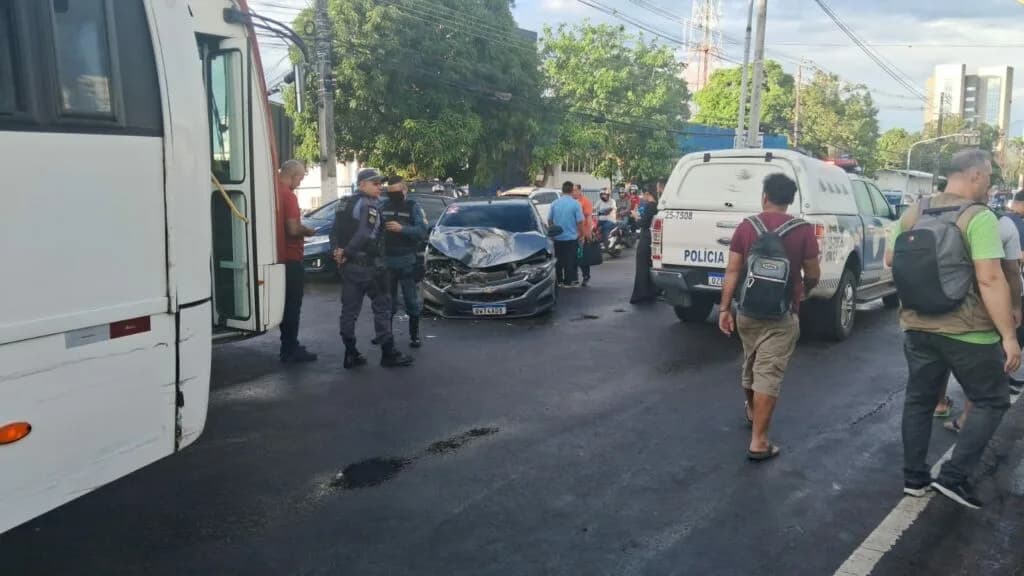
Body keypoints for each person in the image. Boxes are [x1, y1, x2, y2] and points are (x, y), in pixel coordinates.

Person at [888, 149, 1020, 509]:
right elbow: (990, 279)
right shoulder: (978, 217)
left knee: (918, 400)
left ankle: (914, 479)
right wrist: (1009, 336)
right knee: (993, 399)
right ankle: (954, 476)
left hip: (917, 325)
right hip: (967, 332)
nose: (991, 183)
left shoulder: (916, 211)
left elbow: (890, 259)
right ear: (974, 175)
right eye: (989, 175)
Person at [718, 174, 819, 461]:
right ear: (791, 200)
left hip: (747, 310)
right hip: (782, 314)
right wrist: (804, 291)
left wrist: (725, 309)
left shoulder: (747, 227)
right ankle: (759, 442)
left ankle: (752, 410)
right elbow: (813, 273)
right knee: (769, 373)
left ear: (764, 196)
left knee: (751, 362)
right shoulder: (803, 230)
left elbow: (733, 271)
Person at [943, 207, 1024, 433]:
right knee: (988, 373)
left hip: (956, 304)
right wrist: (1015, 307)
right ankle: (969, 419)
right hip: (992, 305)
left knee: (946, 361)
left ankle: (948, 408)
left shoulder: (941, 217)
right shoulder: (1003, 224)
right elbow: (1012, 271)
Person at [331, 168, 414, 369]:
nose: (380, 187)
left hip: (348, 268)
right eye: (375, 184)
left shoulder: (344, 203)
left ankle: (350, 354)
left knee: (349, 311)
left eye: (380, 183)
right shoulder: (369, 206)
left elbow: (334, 232)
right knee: (383, 307)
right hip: (368, 268)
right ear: (362, 185)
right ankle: (388, 353)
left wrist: (337, 252)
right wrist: (347, 253)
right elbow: (363, 235)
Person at [277, 160, 318, 364]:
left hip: (277, 259)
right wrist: (308, 230)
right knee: (293, 306)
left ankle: (289, 345)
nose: (300, 183)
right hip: (291, 259)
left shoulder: (272, 191)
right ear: (292, 174)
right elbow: (293, 229)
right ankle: (290, 349)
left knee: (285, 306)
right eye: (300, 178)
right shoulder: (288, 196)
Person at [380, 177, 428, 349]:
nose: (392, 195)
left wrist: (402, 229)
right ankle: (386, 336)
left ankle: (414, 336)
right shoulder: (383, 207)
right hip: (387, 262)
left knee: (411, 301)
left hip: (407, 262)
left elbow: (422, 231)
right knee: (387, 302)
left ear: (405, 190)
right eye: (390, 192)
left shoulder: (413, 207)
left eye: (396, 192)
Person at [549, 181, 585, 287]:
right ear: (571, 190)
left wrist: (554, 231)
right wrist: (582, 235)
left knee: (558, 260)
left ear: (562, 190)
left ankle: (559, 280)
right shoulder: (576, 204)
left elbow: (549, 220)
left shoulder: (554, 203)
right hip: (571, 238)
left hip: (557, 238)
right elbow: (580, 222)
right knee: (570, 260)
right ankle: (569, 281)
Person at [630, 184, 662, 304]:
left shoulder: (650, 206)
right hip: (652, 237)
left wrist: (635, 217)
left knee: (642, 265)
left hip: (646, 237)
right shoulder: (657, 206)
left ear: (648, 194)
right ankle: (650, 291)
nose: (642, 197)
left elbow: (643, 223)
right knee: (649, 264)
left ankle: (641, 293)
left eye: (643, 194)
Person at [573, 183, 596, 286]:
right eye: (571, 190)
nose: (573, 192)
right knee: (573, 257)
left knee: (582, 256)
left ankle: (586, 276)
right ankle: (574, 277)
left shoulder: (585, 202)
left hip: (582, 234)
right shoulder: (570, 202)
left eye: (574, 190)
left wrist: (588, 234)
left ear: (579, 191)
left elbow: (589, 218)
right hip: (572, 234)